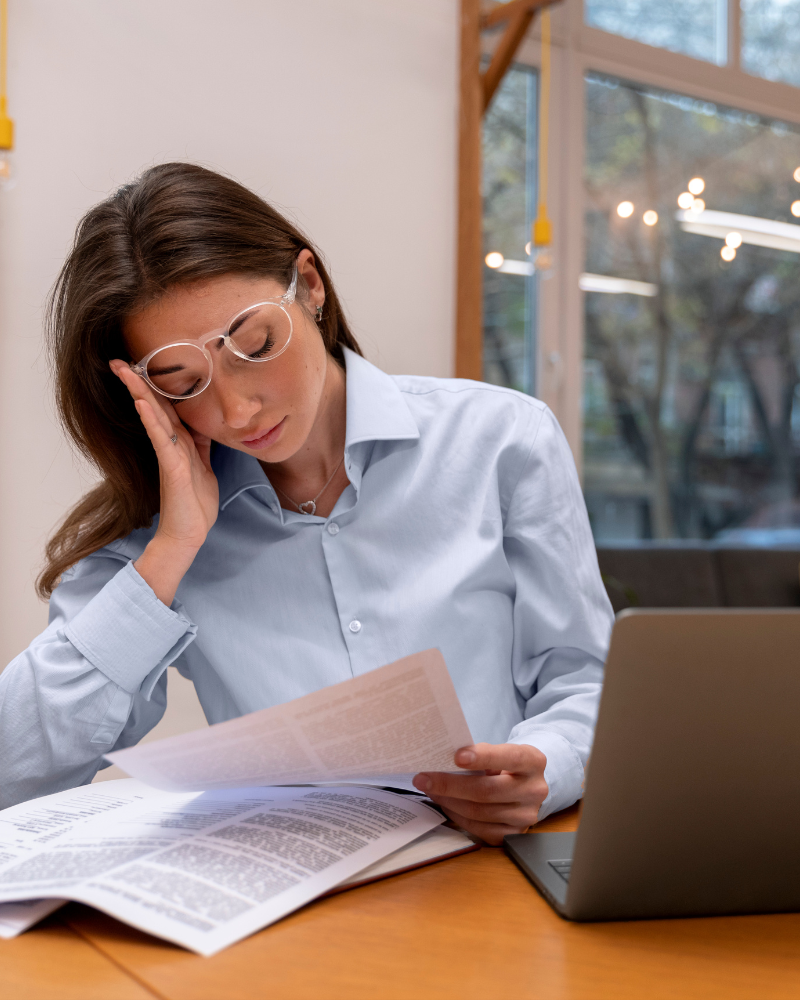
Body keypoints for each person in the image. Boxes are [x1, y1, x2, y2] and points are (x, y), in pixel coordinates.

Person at [0, 163, 613, 843]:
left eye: (255, 344)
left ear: (311, 287)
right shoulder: (162, 534)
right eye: (181, 381)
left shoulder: (501, 440)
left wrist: (543, 768)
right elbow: (15, 775)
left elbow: (586, 679)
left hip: (491, 873)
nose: (235, 408)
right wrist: (171, 552)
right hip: (289, 910)